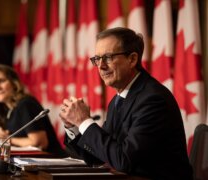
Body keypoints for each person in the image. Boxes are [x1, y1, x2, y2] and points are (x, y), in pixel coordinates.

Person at [59, 27, 193, 179]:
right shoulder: (118, 100)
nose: (101, 66)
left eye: (108, 57)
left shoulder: (153, 100)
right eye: (97, 59)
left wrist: (84, 121)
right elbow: (97, 157)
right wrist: (73, 126)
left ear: (132, 59)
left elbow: (124, 160)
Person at [0, 64, 66, 156]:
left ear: (14, 82)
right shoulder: (9, 111)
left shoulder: (26, 104)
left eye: (1, 81)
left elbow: (40, 142)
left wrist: (7, 139)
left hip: (52, 163)